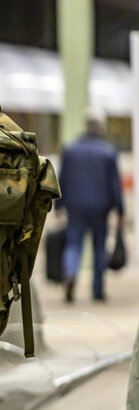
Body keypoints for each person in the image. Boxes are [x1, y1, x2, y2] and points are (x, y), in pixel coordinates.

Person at [56, 107, 124, 303]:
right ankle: (97, 290)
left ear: (85, 125)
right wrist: (120, 210)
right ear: (101, 127)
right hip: (101, 208)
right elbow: (114, 185)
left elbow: (63, 180)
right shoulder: (108, 152)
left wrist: (58, 206)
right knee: (99, 248)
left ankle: (70, 274)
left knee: (73, 244)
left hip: (75, 206)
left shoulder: (70, 149)